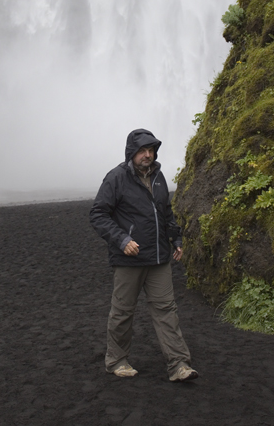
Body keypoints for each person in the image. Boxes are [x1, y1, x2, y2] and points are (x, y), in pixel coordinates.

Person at [90, 128, 198, 382]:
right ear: (131, 153)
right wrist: (122, 240)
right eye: (142, 151)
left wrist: (177, 238)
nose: (147, 155)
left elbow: (166, 213)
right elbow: (98, 214)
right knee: (123, 311)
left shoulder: (159, 178)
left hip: (159, 257)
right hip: (129, 258)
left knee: (166, 310)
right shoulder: (116, 178)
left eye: (151, 150)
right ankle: (117, 361)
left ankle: (179, 364)